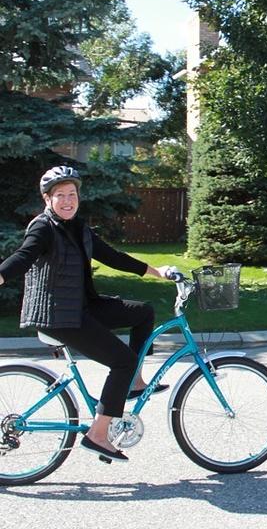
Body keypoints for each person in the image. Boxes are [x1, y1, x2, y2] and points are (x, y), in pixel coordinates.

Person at [0, 166, 173, 463]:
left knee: (143, 312)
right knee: (123, 360)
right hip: (57, 316)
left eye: (72, 195)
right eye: (60, 196)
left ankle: (134, 382)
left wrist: (158, 272)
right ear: (47, 199)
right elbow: (23, 257)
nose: (68, 201)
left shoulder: (78, 228)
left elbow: (112, 257)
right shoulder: (44, 228)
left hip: (79, 307)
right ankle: (98, 435)